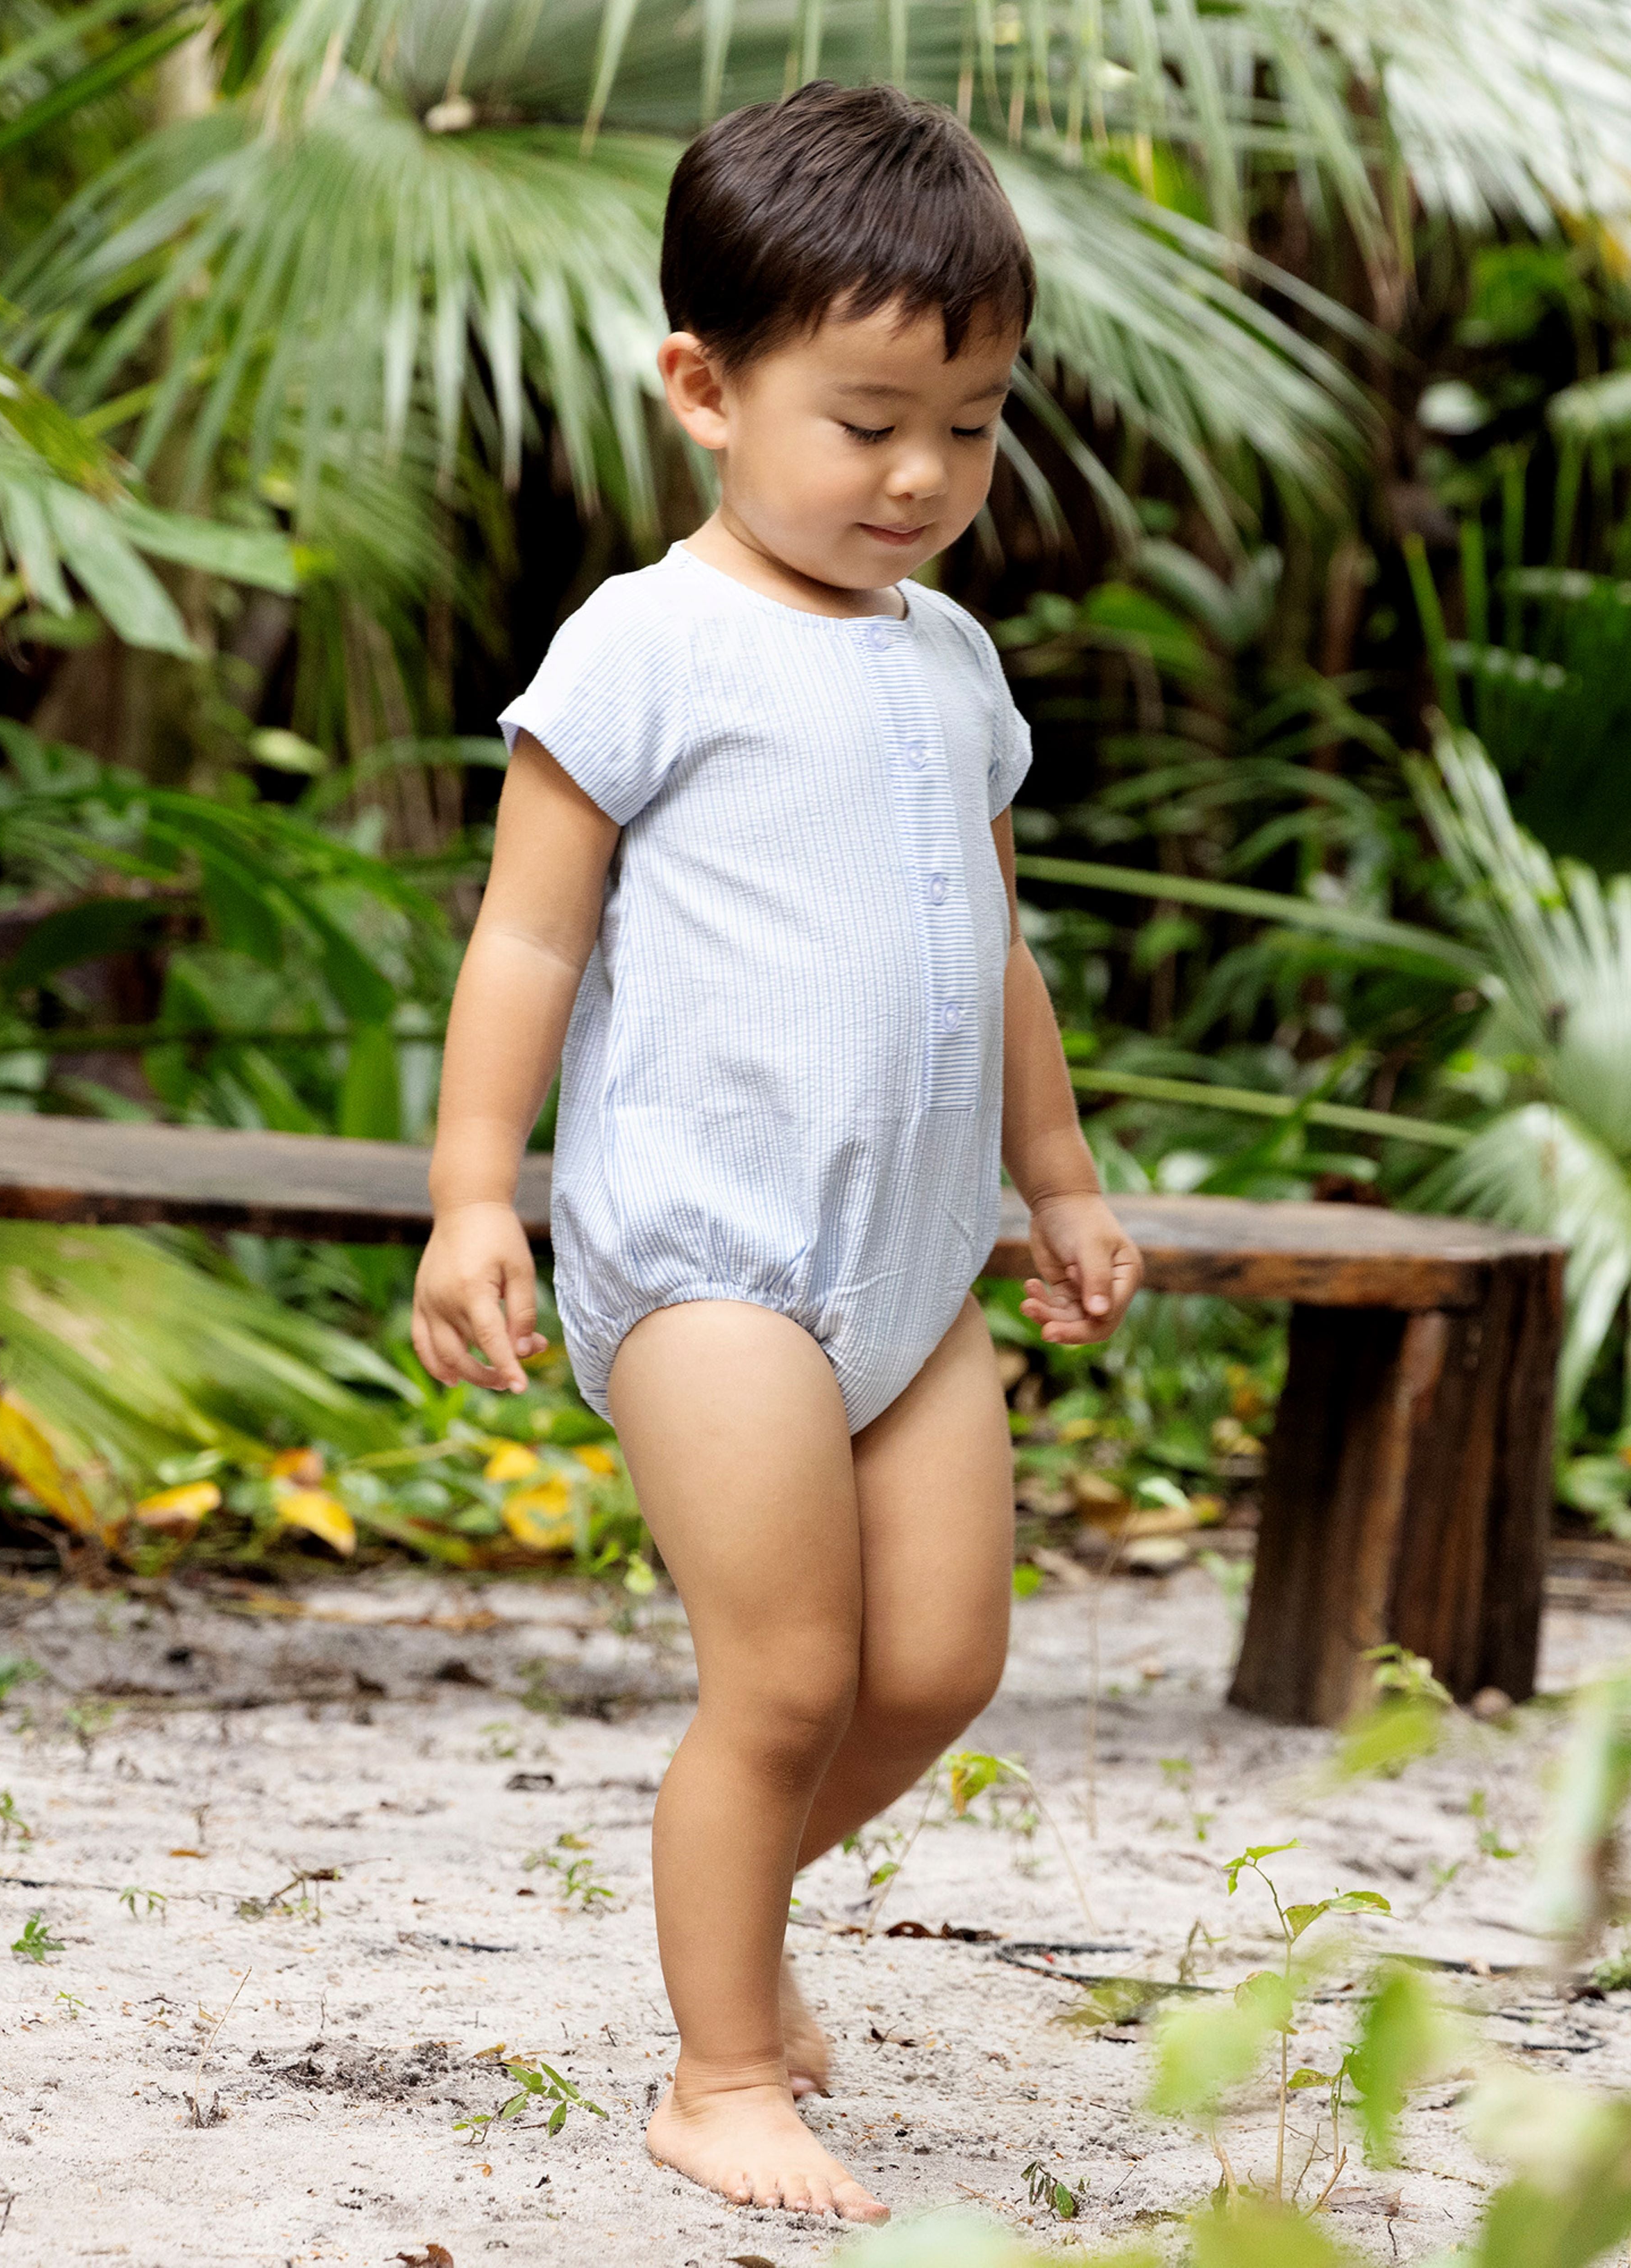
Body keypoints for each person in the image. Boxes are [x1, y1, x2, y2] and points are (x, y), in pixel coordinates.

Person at [410, 79, 1143, 2225]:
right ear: (706, 389)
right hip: (712, 1250)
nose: (925, 474)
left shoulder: (953, 666)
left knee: (937, 1665)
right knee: (789, 1673)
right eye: (868, 419)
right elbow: (528, 933)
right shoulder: (648, 643)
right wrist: (475, 1189)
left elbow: (989, 943)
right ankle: (721, 2060)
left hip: (913, 1267)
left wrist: (1062, 1179)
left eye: (974, 421)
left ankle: (714, 1907)